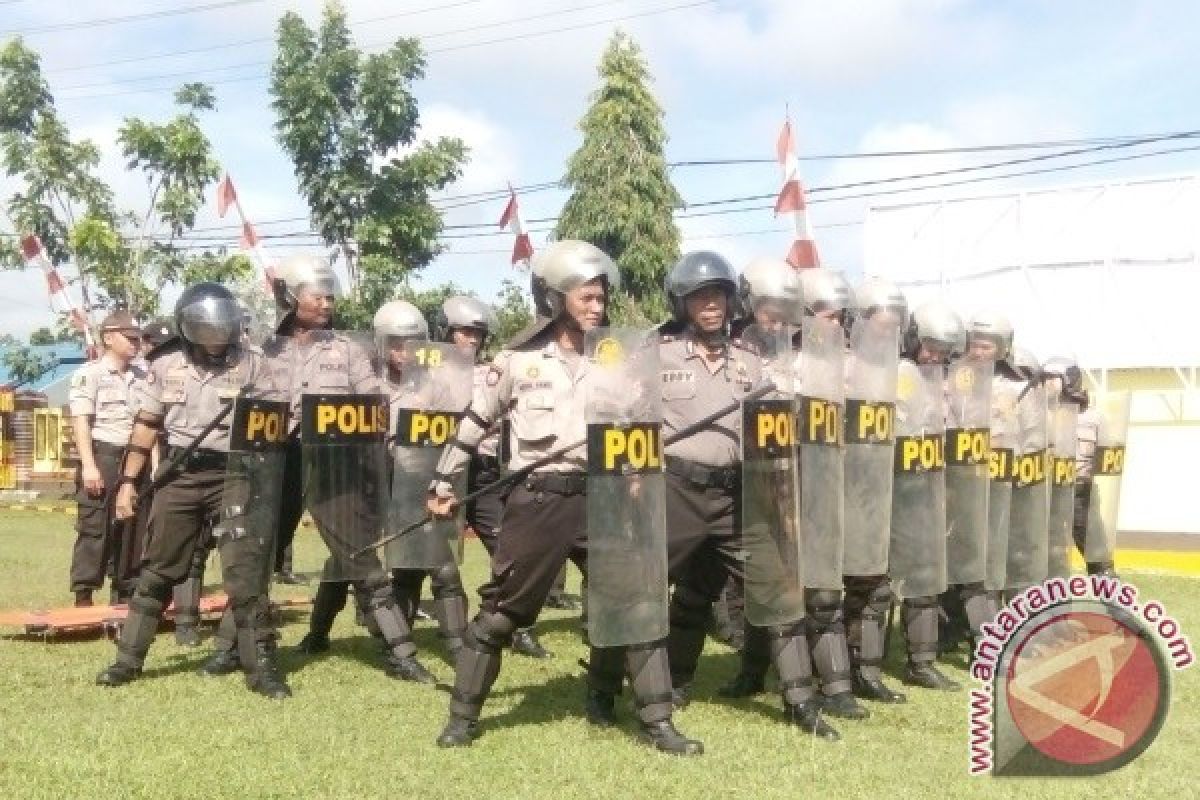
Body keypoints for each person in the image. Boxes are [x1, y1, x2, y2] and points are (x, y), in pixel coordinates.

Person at [428, 240, 701, 753]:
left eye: (601, 298)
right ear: (555, 298)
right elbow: (472, 425)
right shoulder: (515, 361)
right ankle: (462, 717)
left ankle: (654, 720)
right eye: (586, 296)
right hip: (539, 499)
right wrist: (443, 483)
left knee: (633, 604)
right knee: (504, 613)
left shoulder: (618, 361)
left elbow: (639, 424)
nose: (597, 306)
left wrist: (641, 473)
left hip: (606, 499)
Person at [200, 254, 434, 684]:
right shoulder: (259, 351)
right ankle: (232, 648)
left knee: (360, 558)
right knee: (256, 559)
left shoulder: (349, 351)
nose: (327, 304)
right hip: (274, 464)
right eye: (318, 295)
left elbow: (374, 402)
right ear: (290, 296)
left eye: (330, 296)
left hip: (333, 464)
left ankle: (401, 654)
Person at [659, 252, 836, 738]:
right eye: (699, 296)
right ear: (682, 303)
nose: (710, 304)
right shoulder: (659, 355)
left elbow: (774, 426)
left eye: (718, 294)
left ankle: (800, 700)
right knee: (674, 594)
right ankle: (645, 686)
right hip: (678, 489)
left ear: (732, 300)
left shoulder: (751, 363)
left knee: (777, 590)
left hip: (739, 493)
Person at [96, 284, 289, 698]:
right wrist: (129, 482)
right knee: (158, 570)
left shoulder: (256, 366)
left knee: (245, 574)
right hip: (180, 472)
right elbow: (146, 425)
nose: (217, 345)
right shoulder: (165, 366)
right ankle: (127, 662)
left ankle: (263, 672)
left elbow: (277, 426)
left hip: (238, 474)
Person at [839, 277, 910, 704]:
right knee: (837, 585)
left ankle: (866, 669)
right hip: (840, 488)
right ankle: (829, 669)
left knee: (877, 584)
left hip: (881, 489)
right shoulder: (840, 367)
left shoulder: (900, 375)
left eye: (892, 327)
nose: (885, 334)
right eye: (878, 326)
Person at [889, 301, 963, 691]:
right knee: (883, 580)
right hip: (894, 484)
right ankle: (863, 662)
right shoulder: (901, 372)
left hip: (926, 484)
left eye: (945, 350)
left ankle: (921, 661)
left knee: (923, 577)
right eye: (932, 346)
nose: (937, 355)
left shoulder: (942, 381)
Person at [67, 311, 146, 607]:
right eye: (130, 338)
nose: (136, 344)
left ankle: (125, 590)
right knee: (94, 527)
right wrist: (89, 465)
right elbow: (81, 422)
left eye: (138, 338)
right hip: (103, 453)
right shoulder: (90, 374)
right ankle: (84, 594)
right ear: (109, 337)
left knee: (131, 525)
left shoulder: (142, 376)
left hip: (134, 457)